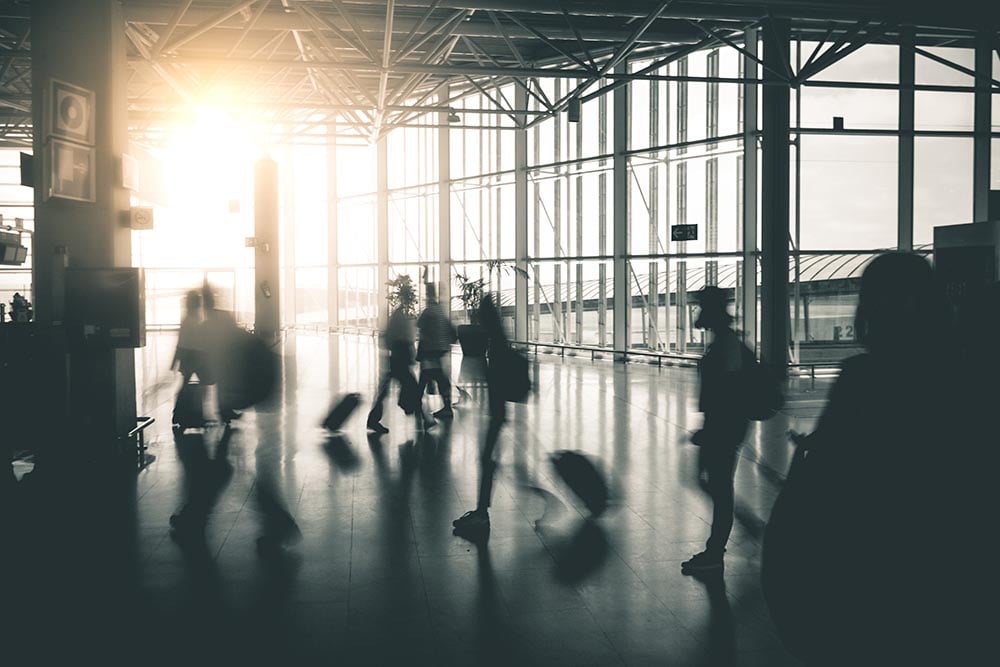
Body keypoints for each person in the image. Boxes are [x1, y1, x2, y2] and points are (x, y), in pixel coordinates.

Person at [763, 252, 960, 663]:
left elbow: (830, 471)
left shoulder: (863, 377)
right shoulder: (963, 375)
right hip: (938, 565)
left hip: (865, 562)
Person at [682, 286, 749, 574]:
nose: (697, 312)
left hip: (724, 428)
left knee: (719, 488)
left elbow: (729, 394)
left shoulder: (727, 344)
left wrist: (713, 430)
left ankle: (715, 551)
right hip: (719, 426)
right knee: (707, 481)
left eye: (700, 307)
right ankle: (746, 525)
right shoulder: (723, 341)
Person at [453, 294, 509, 533]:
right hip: (497, 413)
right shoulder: (498, 338)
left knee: (487, 461)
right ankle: (480, 511)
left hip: (496, 413)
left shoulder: (495, 343)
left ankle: (481, 514)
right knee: (488, 461)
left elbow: (496, 377)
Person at [367, 305, 433, 434]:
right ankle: (425, 419)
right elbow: (405, 341)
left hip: (395, 360)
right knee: (413, 388)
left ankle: (373, 421)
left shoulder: (395, 319)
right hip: (400, 361)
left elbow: (387, 340)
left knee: (384, 391)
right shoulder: (401, 320)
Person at [195, 285, 242, 423]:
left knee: (214, 385)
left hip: (213, 357)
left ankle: (219, 411)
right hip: (219, 357)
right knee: (222, 385)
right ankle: (224, 411)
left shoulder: (206, 322)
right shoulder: (221, 317)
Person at [415, 284, 457, 419]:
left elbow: (420, 326)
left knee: (426, 377)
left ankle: (417, 403)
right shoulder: (440, 310)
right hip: (440, 350)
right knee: (438, 378)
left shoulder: (429, 312)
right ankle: (446, 406)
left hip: (431, 350)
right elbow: (451, 330)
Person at [171, 290, 202, 424]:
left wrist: (176, 360)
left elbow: (181, 342)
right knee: (211, 381)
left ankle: (179, 414)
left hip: (189, 357)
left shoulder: (189, 319)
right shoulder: (192, 320)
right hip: (194, 357)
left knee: (186, 386)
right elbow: (185, 342)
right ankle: (225, 412)